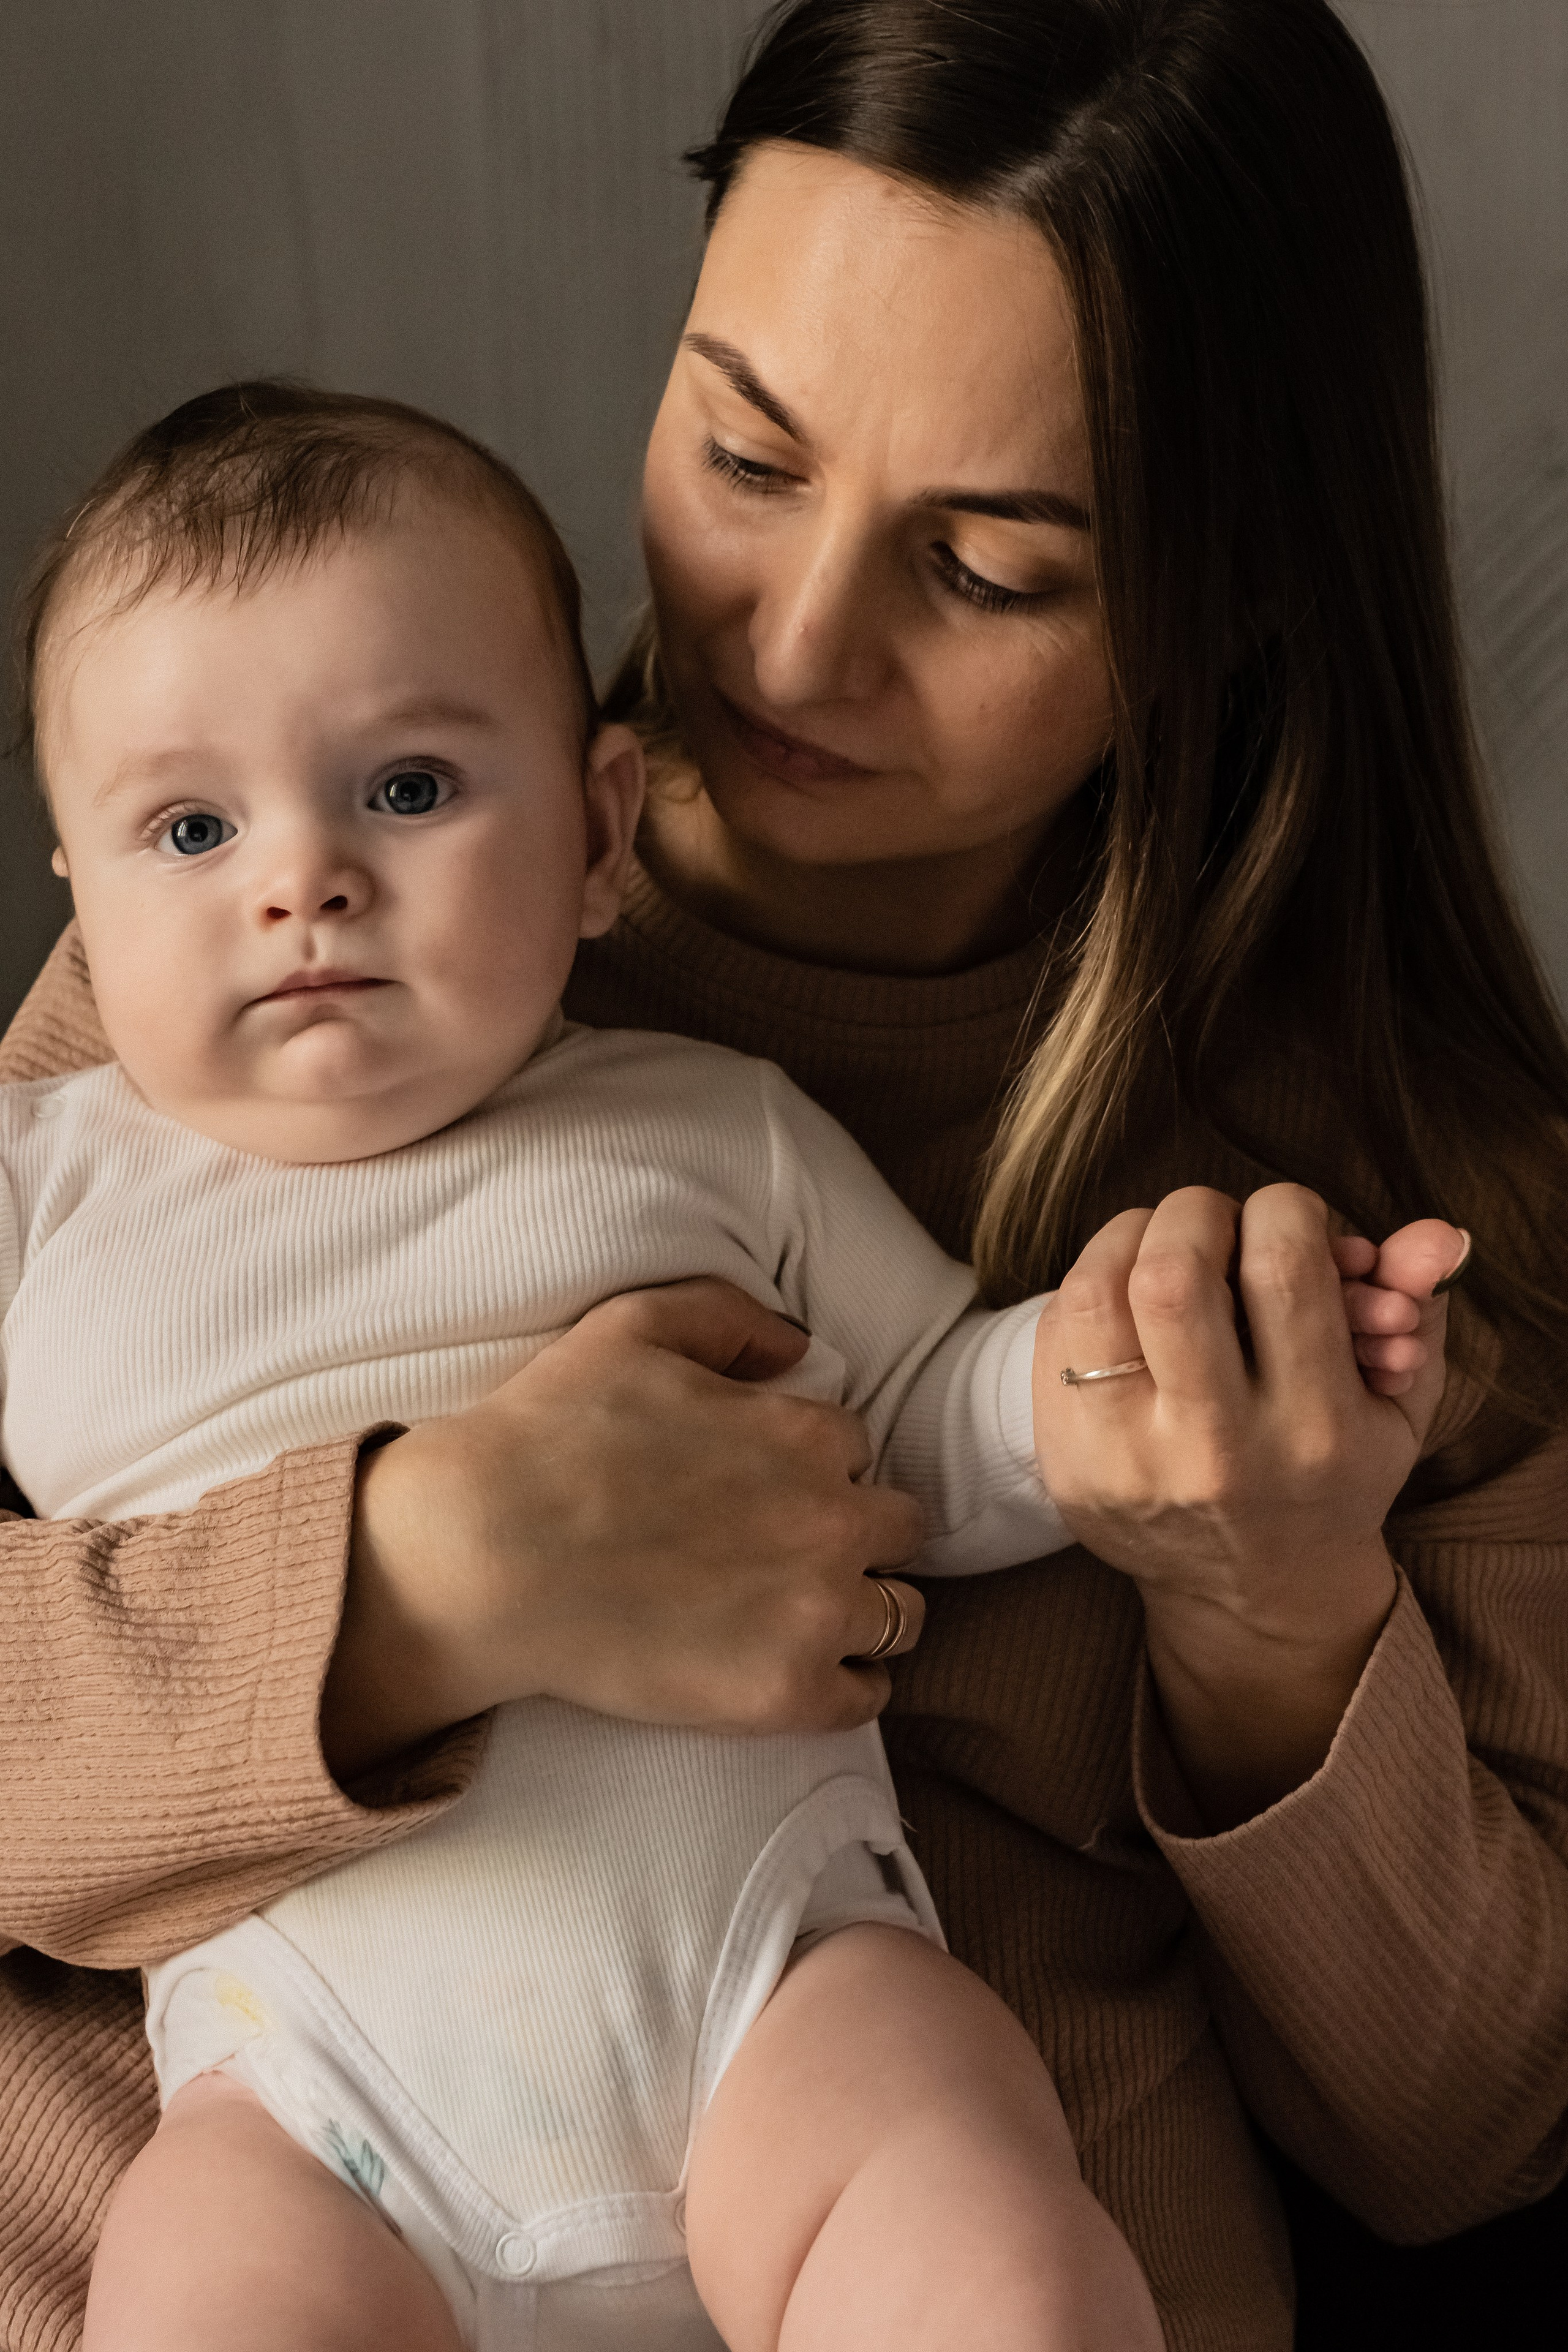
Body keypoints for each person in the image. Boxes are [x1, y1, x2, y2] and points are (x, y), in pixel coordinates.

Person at [2, 2, 1564, 2346]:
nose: (792, 643)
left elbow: (1467, 2144)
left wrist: (1276, 1617)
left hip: (924, 2179)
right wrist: (414, 1582)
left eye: (996, 569)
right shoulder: (232, 981)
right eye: (746, 454)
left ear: (1234, 597)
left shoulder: (1380, 1192)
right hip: (271, 2176)